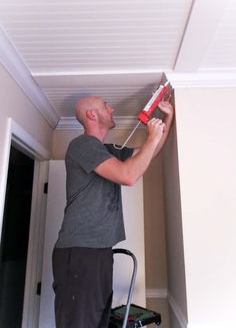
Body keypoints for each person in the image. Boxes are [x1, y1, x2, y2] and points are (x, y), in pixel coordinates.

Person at [52, 94, 174, 328]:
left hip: (96, 252)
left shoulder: (107, 152)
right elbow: (128, 176)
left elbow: (149, 153)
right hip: (79, 253)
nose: (112, 108)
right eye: (106, 105)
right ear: (91, 114)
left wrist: (167, 118)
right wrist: (152, 136)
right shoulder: (82, 145)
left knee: (97, 322)